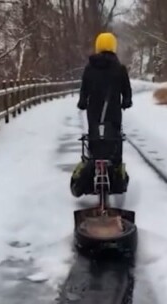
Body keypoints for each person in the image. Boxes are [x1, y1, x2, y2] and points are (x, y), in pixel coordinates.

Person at [72, 32, 132, 197]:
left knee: (95, 142)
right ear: (113, 47)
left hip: (94, 114)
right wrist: (126, 102)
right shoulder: (120, 69)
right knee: (114, 141)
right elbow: (127, 92)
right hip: (113, 114)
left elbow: (84, 91)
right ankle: (116, 173)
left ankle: (92, 172)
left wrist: (83, 102)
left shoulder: (90, 68)